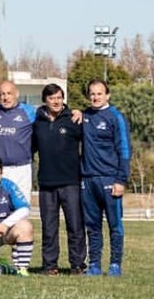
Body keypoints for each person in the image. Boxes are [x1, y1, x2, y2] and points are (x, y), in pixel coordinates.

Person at [32, 83, 85, 275]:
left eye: (59, 97)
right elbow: (30, 148)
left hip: (71, 182)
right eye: (52, 98)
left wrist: (82, 113)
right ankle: (50, 265)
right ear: (45, 101)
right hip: (46, 184)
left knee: (75, 225)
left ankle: (78, 265)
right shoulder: (37, 123)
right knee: (49, 228)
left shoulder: (74, 120)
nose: (56, 101)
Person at [81, 79, 131, 277]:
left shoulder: (115, 117)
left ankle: (115, 265)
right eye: (92, 93)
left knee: (114, 225)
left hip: (110, 179)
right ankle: (94, 264)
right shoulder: (84, 115)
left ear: (107, 95)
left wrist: (121, 179)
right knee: (92, 225)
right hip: (87, 179)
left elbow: (125, 150)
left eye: (99, 93)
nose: (95, 97)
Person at [0, 81, 37, 197]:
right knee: (0, 208)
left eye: (9, 93)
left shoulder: (29, 111)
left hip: (21, 168)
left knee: (21, 208)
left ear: (16, 94)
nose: (6, 97)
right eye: (2, 94)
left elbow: (48, 115)